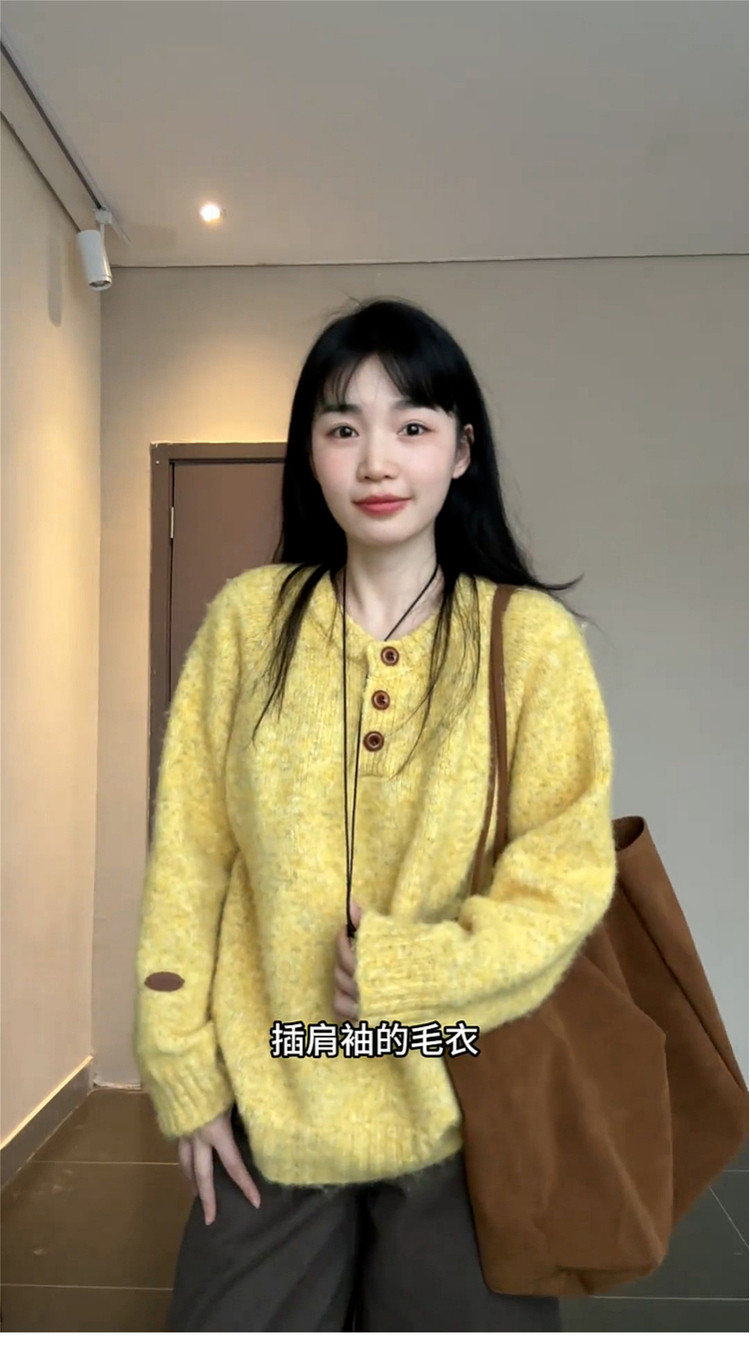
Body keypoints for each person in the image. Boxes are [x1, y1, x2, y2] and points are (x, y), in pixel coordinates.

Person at [134, 296, 617, 1331]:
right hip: (272, 1095)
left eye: (413, 424)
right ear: (310, 453)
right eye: (343, 426)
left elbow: (567, 870)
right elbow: (190, 856)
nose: (377, 460)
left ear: (461, 450)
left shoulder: (529, 641)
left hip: (465, 1099)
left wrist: (418, 972)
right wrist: (179, 1062)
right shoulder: (246, 624)